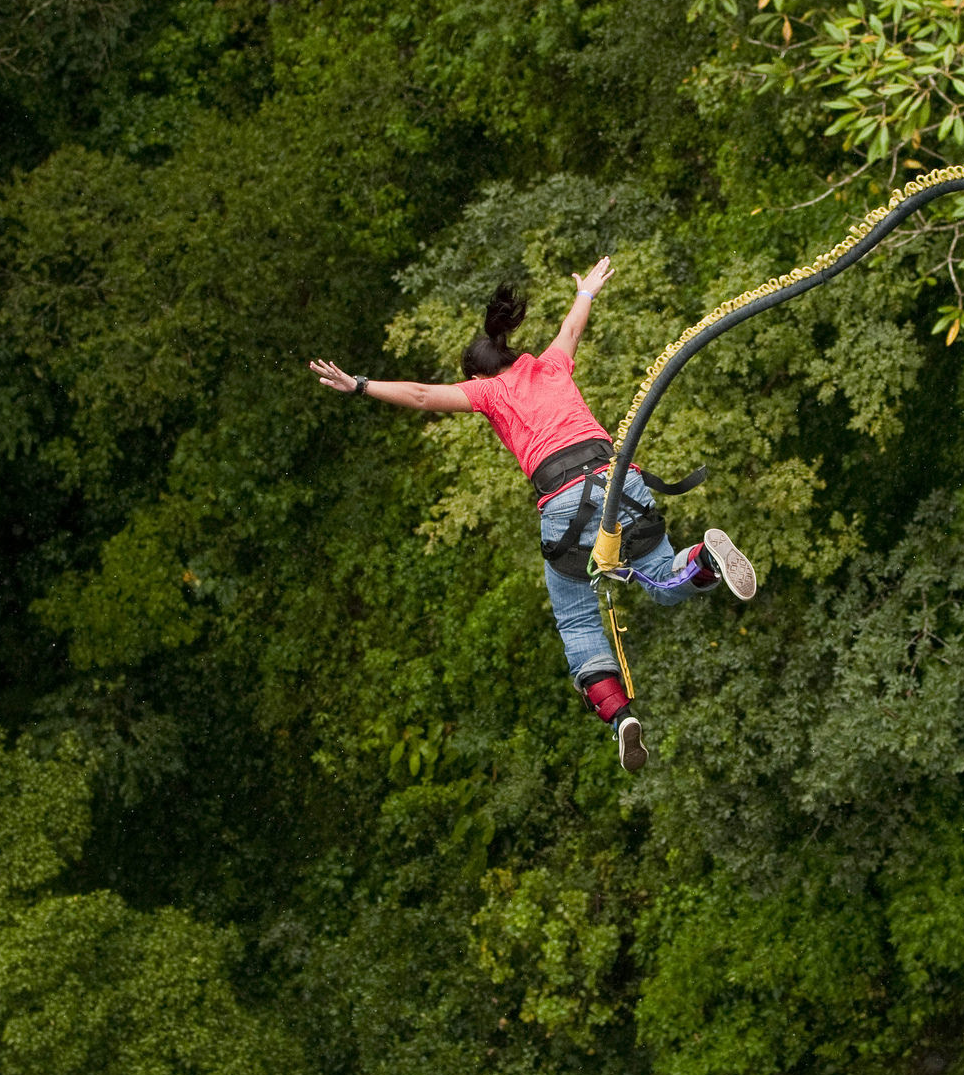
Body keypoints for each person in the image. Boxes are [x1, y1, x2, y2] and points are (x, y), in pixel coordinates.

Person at [308, 257, 756, 772]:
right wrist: (586, 290)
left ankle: (620, 718)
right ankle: (704, 558)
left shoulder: (488, 389)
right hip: (620, 481)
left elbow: (423, 395)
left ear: (478, 375)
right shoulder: (549, 364)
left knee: (576, 618)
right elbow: (570, 328)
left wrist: (359, 384)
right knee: (662, 576)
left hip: (565, 503)